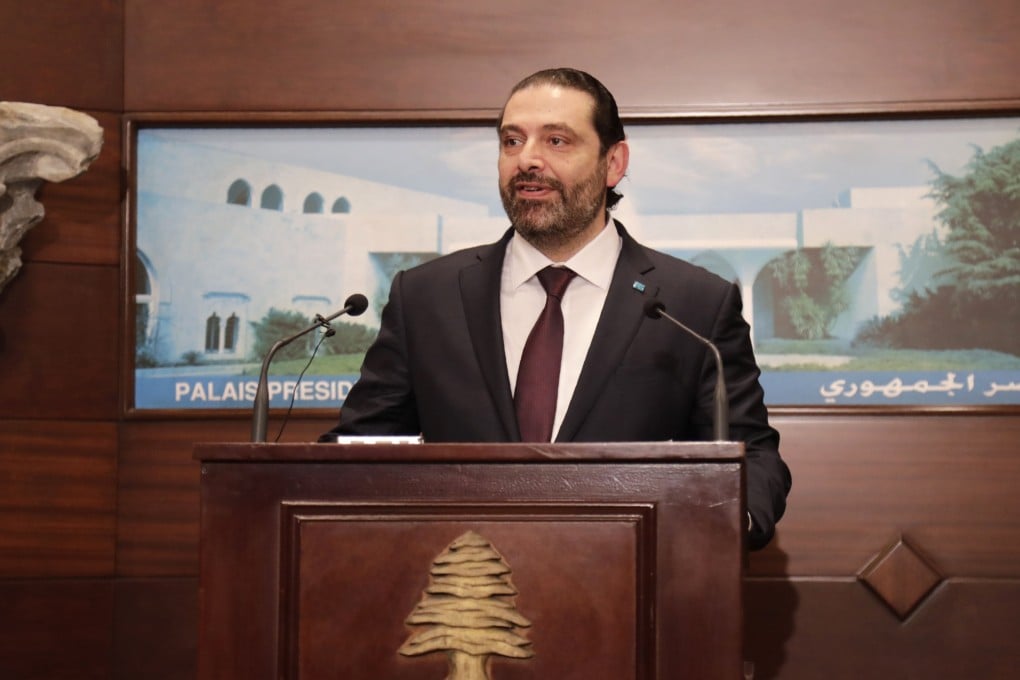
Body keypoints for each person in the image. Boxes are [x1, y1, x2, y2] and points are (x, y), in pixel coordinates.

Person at [323, 67, 791, 549]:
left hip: (632, 583)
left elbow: (751, 455)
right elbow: (362, 447)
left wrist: (732, 525)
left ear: (613, 163)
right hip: (456, 592)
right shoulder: (425, 297)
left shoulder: (693, 304)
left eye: (557, 141)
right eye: (511, 141)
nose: (527, 160)